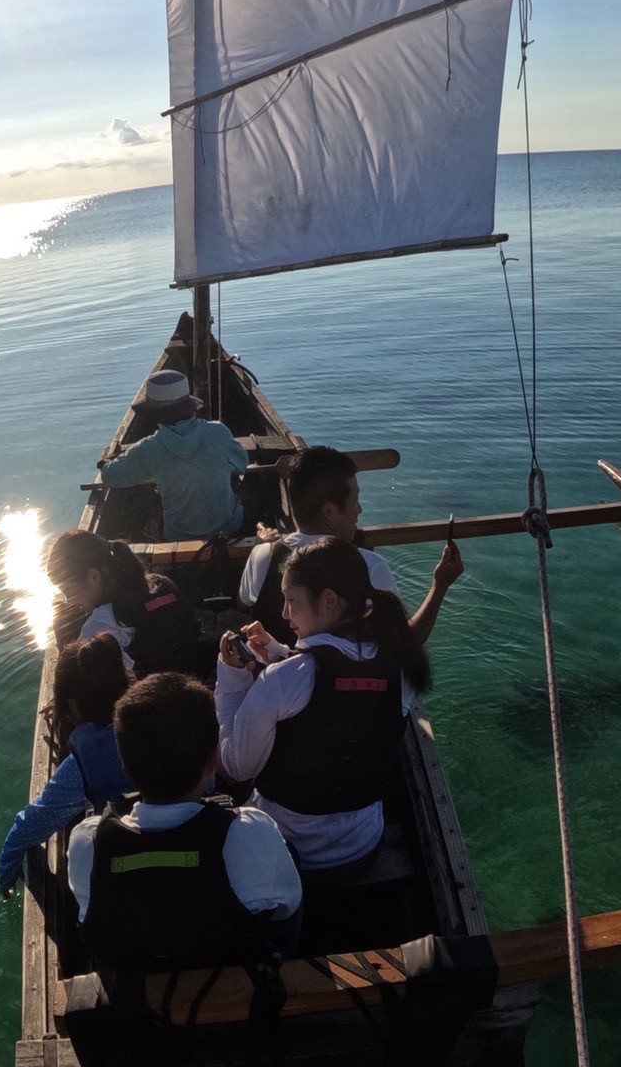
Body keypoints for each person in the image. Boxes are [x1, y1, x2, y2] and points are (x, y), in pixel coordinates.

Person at [217, 537, 429, 871]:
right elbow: (343, 692)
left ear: (328, 600)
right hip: (361, 848)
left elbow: (236, 767)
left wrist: (231, 681)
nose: (284, 614)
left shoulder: (283, 680)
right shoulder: (398, 665)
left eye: (290, 600)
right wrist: (278, 653)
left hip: (288, 852)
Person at [69, 670, 302, 967]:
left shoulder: (87, 842)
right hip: (231, 985)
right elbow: (287, 906)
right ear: (211, 762)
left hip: (137, 999)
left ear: (125, 765)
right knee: (289, 858)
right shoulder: (253, 834)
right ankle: (289, 962)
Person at [239, 444, 463, 648]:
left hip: (278, 688)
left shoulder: (263, 555)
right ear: (330, 511)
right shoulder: (370, 565)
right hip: (343, 692)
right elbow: (408, 641)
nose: (360, 510)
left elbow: (244, 603)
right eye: (355, 500)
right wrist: (440, 584)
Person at [0, 634, 133, 897]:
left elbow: (27, 828)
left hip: (127, 864)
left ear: (71, 704)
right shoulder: (154, 719)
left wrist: (6, 875)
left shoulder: (84, 765)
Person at [96, 369, 248, 541]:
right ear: (190, 408)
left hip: (178, 535)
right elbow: (242, 462)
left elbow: (109, 476)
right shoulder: (218, 431)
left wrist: (105, 461)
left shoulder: (148, 448)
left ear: (155, 416)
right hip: (228, 527)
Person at [43, 530, 200, 676]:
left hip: (153, 702)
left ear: (94, 577)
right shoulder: (162, 583)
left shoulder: (100, 625)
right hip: (192, 685)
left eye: (70, 593)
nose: (70, 602)